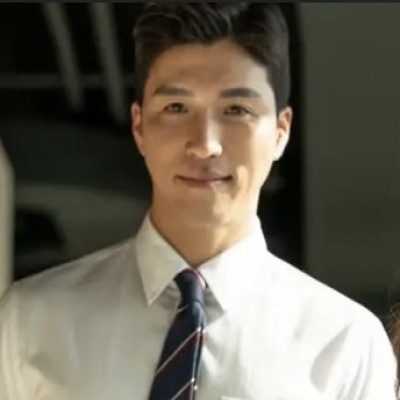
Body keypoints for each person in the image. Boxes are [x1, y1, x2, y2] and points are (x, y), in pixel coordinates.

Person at [0, 3, 397, 399]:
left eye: (237, 110)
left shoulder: (345, 345)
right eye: (176, 107)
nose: (205, 144)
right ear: (139, 126)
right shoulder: (30, 320)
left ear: (280, 131)